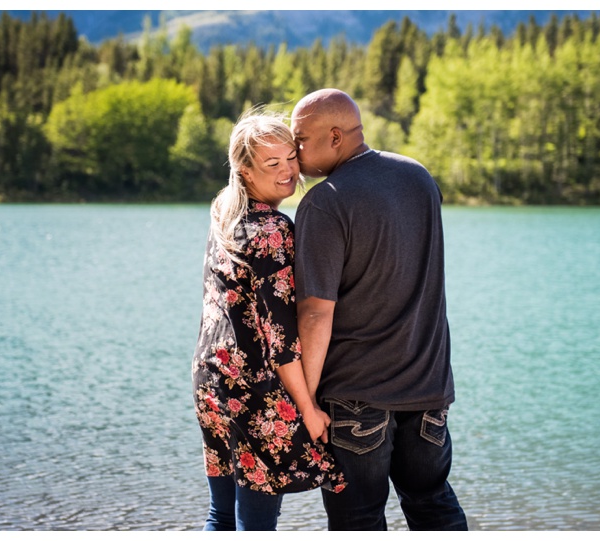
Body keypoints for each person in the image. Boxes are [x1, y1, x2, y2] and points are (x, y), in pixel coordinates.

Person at [289, 89, 468, 531]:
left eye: (300, 140)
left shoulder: (325, 200)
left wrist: (306, 400)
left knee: (358, 519)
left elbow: (315, 313)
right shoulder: (419, 177)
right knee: (431, 501)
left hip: (357, 397)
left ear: (334, 136)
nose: (294, 152)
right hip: (428, 389)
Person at [192, 110, 346, 531]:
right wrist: (308, 408)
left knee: (221, 515)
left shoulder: (225, 213)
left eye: (290, 158)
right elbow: (280, 336)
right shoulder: (273, 229)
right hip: (255, 388)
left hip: (210, 379)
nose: (288, 172)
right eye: (272, 164)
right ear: (245, 170)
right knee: (256, 526)